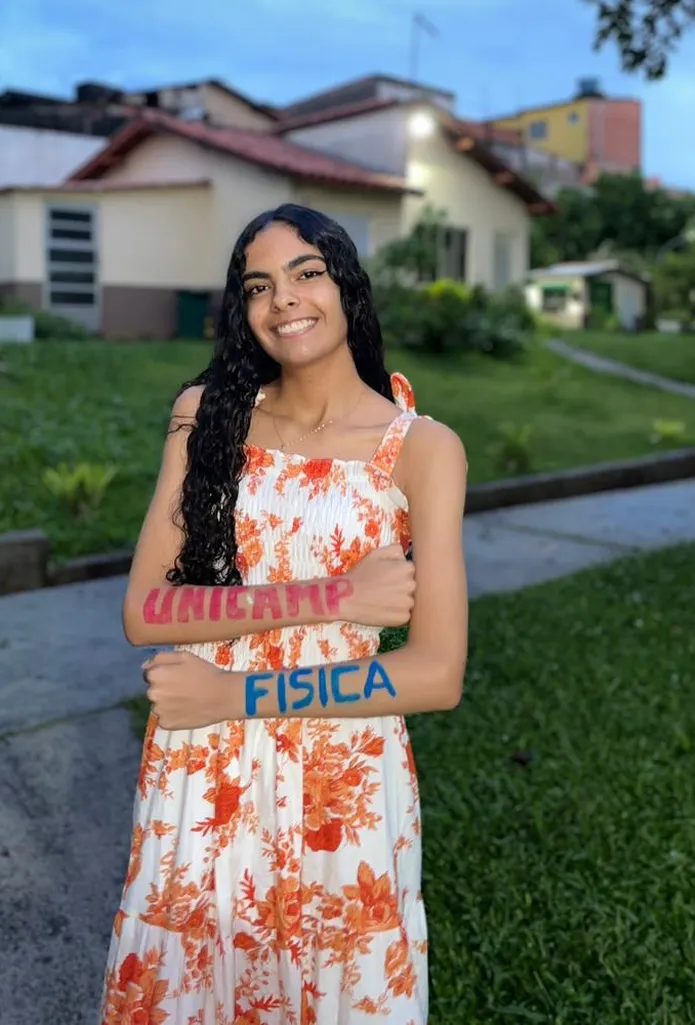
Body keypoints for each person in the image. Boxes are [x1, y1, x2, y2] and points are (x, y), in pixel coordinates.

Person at [99, 203, 468, 1025]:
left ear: (347, 287)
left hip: (341, 779)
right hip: (203, 771)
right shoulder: (207, 414)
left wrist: (233, 695)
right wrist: (333, 595)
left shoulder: (422, 448)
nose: (284, 300)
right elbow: (145, 609)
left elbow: (436, 673)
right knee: (193, 980)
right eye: (259, 285)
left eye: (307, 273)